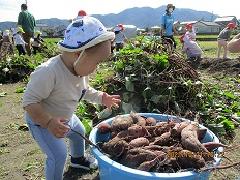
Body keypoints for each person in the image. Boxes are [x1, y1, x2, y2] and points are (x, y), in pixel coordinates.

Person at [22, 16, 121, 180]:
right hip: (43, 122)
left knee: (79, 131)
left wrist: (102, 97)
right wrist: (48, 122)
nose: (96, 69)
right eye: (96, 63)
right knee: (58, 155)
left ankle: (77, 160)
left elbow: (85, 90)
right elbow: (29, 102)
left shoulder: (79, 70)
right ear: (78, 54)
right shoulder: (49, 72)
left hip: (66, 117)